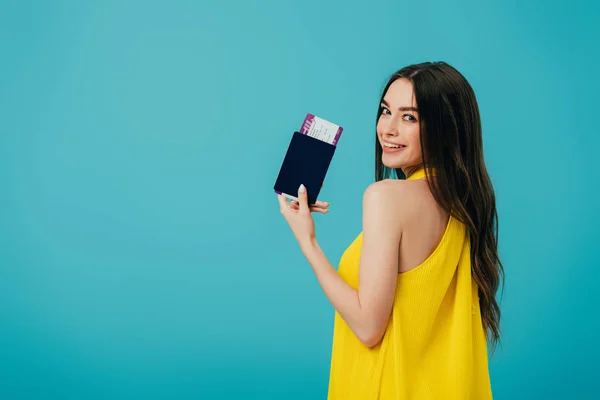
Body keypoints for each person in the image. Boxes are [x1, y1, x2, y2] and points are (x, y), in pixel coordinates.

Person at [277, 61, 503, 399]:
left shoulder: (386, 197)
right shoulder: (465, 203)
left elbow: (368, 328)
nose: (388, 129)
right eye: (385, 111)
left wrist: (307, 241)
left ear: (446, 128)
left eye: (409, 117)